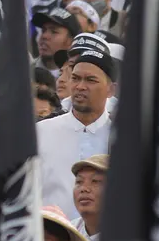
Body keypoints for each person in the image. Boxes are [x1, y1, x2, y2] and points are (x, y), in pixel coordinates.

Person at [36, 50, 115, 218]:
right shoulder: (40, 132)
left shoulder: (122, 137)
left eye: (90, 80)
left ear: (110, 90)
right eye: (76, 78)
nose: (80, 86)